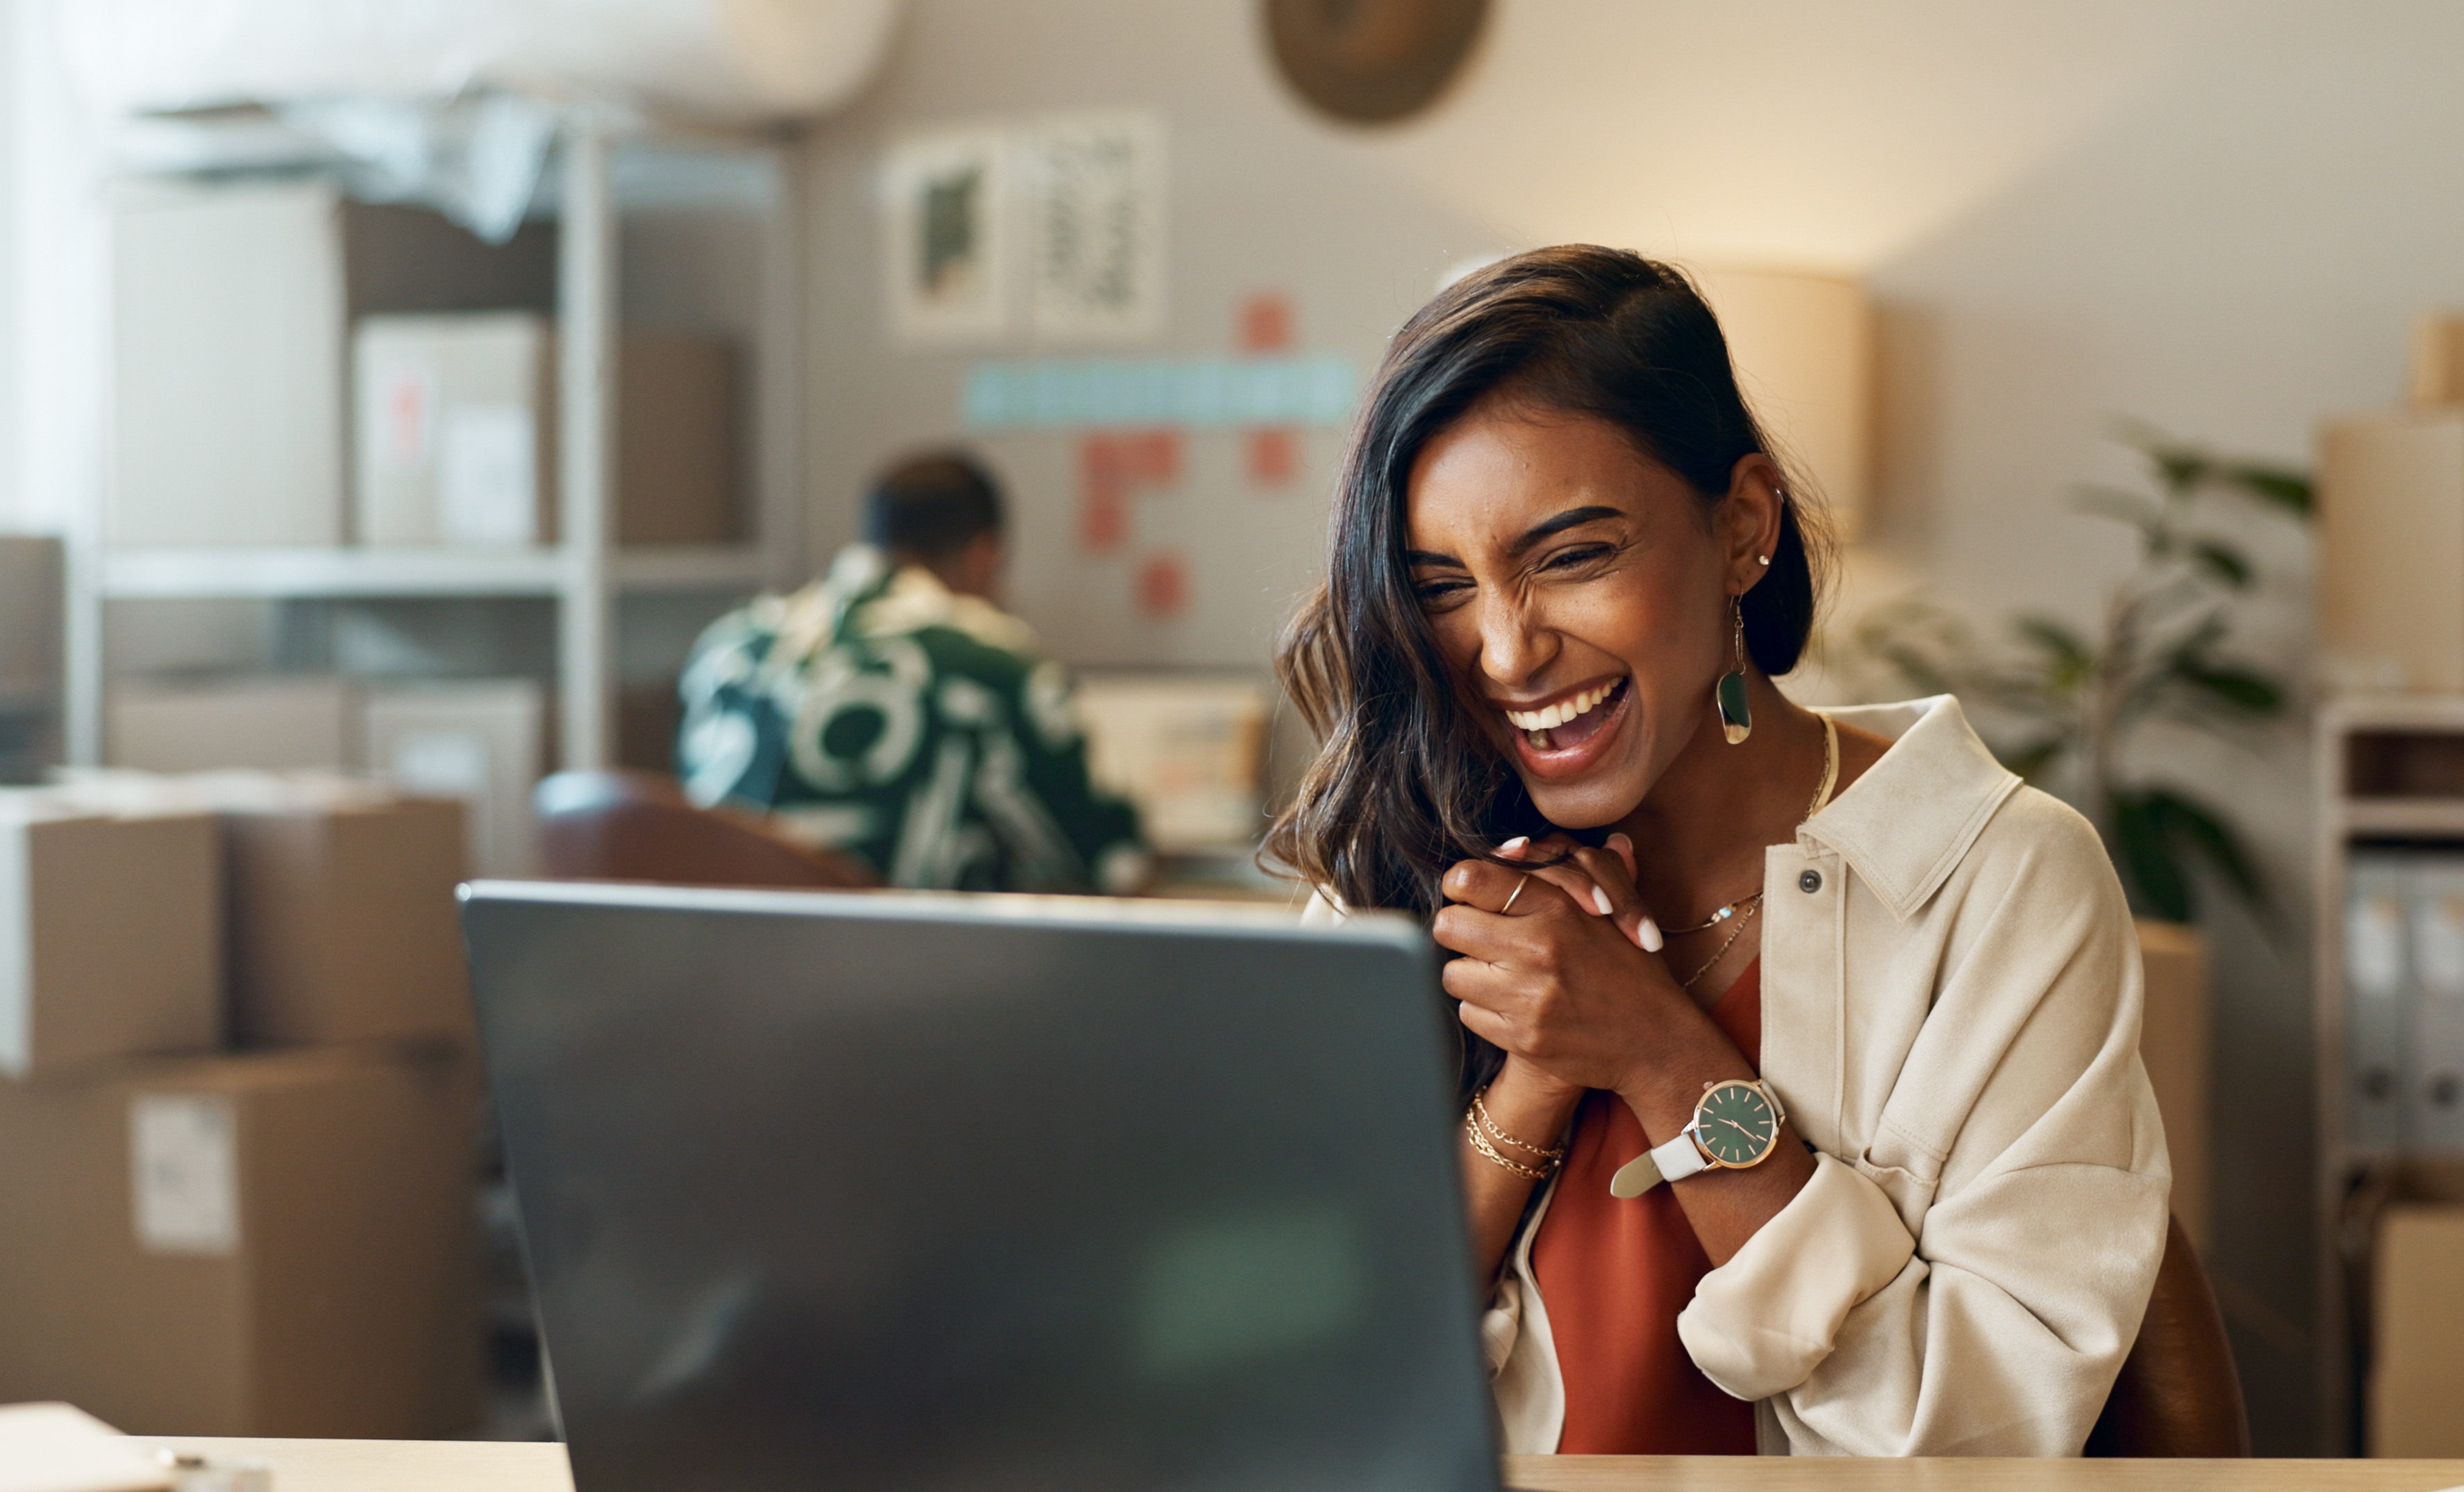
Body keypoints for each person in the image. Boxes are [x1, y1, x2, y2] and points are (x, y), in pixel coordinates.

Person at [1268, 247, 2167, 1456]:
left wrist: (1661, 1059)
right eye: (1440, 587)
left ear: (1742, 525)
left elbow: (1976, 1442)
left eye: (1572, 556)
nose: (1504, 653)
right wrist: (1535, 1078)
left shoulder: (1998, 880)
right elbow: (1303, 1383)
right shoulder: (1399, 855)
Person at [676, 450, 1145, 893]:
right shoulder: (990, 658)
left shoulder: (733, 647)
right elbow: (1114, 862)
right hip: (909, 969)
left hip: (724, 967)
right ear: (985, 554)